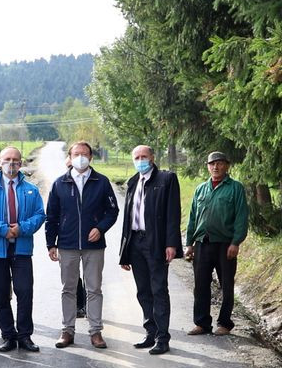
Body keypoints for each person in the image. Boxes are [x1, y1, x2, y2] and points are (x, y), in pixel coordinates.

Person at [45, 141, 119, 349]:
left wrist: (101, 228)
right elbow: (52, 216)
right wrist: (51, 244)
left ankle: (96, 332)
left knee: (94, 288)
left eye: (85, 154)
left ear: (91, 157)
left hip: (93, 246)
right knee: (68, 289)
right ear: (69, 157)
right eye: (76, 154)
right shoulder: (59, 183)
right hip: (67, 244)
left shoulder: (101, 182)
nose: (81, 157)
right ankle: (67, 331)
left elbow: (112, 211)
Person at [0, 146, 45, 353]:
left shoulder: (31, 189)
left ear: (20, 163)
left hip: (22, 250)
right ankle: (8, 335)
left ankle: (25, 336)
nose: (11, 163)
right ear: (0, 162)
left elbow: (40, 215)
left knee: (25, 292)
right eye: (7, 159)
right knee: (1, 294)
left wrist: (22, 228)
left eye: (15, 160)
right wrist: (3, 230)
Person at [119, 145, 182, 354]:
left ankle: (163, 338)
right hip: (135, 242)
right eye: (136, 157)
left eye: (144, 156)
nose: (140, 160)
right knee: (143, 290)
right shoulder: (132, 182)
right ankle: (150, 332)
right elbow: (127, 219)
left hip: (156, 242)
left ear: (152, 158)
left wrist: (171, 244)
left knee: (159, 290)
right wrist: (124, 252)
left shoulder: (166, 179)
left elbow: (173, 213)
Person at [185, 151, 250, 336]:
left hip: (225, 245)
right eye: (212, 164)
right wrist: (189, 243)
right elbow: (193, 217)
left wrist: (236, 242)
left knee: (226, 284)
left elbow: (241, 217)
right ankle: (202, 323)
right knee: (201, 285)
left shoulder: (235, 188)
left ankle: (225, 323)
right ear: (208, 167)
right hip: (202, 243)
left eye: (220, 163)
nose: (216, 167)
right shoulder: (201, 189)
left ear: (227, 166)